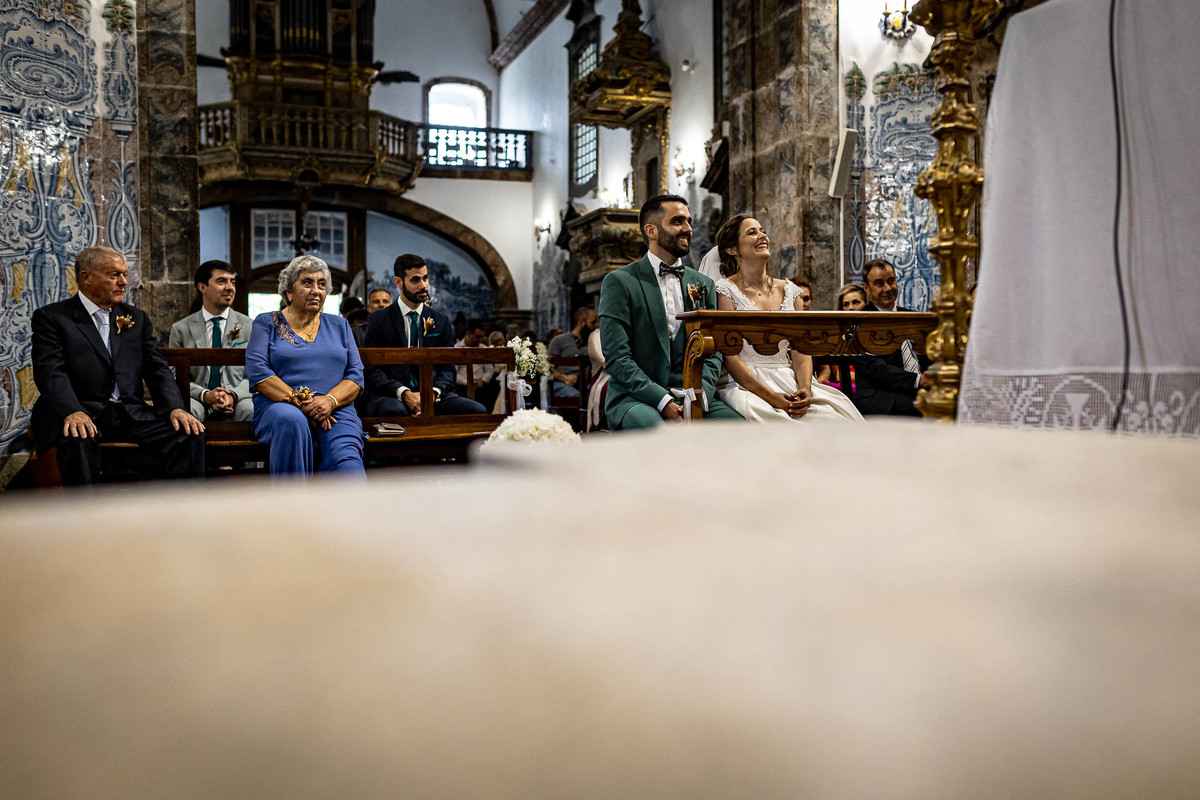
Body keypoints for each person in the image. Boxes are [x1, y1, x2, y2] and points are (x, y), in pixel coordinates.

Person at [31, 246, 206, 485]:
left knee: (188, 433)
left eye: (124, 274)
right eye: (114, 275)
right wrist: (72, 411)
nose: (124, 282)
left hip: (129, 413)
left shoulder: (136, 318)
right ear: (86, 277)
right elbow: (51, 372)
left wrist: (175, 408)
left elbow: (156, 369)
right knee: (78, 438)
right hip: (82, 410)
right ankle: (86, 508)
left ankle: (183, 505)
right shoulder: (53, 318)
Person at [597, 194, 741, 428]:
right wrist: (662, 400)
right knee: (659, 432)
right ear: (651, 231)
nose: (688, 229)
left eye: (688, 221)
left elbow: (713, 351)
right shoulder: (620, 282)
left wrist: (699, 394)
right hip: (636, 397)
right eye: (677, 221)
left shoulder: (704, 284)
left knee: (739, 430)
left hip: (692, 395)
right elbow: (617, 358)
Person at [712, 215, 863, 424]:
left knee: (837, 420)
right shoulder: (725, 291)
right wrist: (771, 397)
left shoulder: (790, 291)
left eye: (763, 230)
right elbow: (731, 357)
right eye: (752, 232)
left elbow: (801, 350)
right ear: (732, 249)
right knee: (780, 425)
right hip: (748, 384)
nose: (762, 236)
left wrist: (806, 388)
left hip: (790, 378)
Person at [244, 255, 366, 478]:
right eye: (307, 282)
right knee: (292, 421)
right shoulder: (266, 323)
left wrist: (329, 401)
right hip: (280, 406)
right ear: (289, 291)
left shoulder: (340, 325)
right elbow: (259, 373)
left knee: (347, 465)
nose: (316, 290)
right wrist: (302, 403)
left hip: (335, 409)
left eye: (322, 284)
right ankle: (294, 499)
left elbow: (355, 376)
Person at [361, 254, 486, 417]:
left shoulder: (441, 321)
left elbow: (448, 369)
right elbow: (371, 368)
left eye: (425, 278)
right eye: (415, 280)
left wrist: (432, 393)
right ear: (399, 282)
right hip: (392, 394)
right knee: (394, 411)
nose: (423, 285)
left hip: (433, 394)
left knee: (477, 411)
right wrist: (404, 393)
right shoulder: (379, 319)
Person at [169, 260, 255, 422]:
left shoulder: (250, 326)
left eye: (232, 282)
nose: (230, 287)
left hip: (238, 397)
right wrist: (205, 395)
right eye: (221, 281)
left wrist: (233, 395)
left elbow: (257, 371)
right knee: (187, 412)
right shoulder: (181, 329)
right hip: (198, 397)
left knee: (252, 410)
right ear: (202, 287)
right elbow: (173, 375)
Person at [851, 259, 930, 416]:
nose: (887, 288)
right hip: (881, 396)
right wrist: (917, 380)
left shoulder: (913, 317)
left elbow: (929, 356)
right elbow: (873, 368)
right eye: (879, 283)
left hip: (919, 391)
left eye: (891, 281)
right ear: (866, 288)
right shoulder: (858, 322)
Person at [547, 307, 598, 400]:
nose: (596, 326)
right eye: (593, 323)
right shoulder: (559, 340)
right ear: (581, 322)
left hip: (584, 384)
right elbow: (547, 367)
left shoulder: (592, 343)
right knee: (578, 397)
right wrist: (564, 377)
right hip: (563, 382)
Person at [454, 320, 497, 410]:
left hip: (480, 386)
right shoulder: (456, 348)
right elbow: (454, 372)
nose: (480, 340)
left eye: (482, 337)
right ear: (469, 334)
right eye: (477, 337)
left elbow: (489, 370)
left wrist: (483, 380)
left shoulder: (483, 348)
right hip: (462, 387)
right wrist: (467, 383)